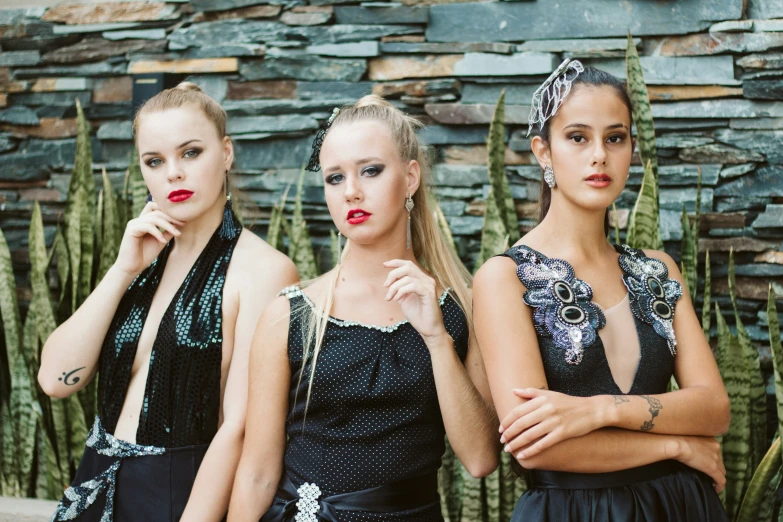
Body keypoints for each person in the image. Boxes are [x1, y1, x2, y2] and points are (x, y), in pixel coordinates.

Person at [474, 60, 730, 521]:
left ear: (632, 147)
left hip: (680, 507)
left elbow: (713, 408)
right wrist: (677, 444)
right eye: (577, 137)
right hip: (571, 511)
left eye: (615, 138)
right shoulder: (505, 277)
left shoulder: (656, 269)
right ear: (543, 151)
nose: (599, 155)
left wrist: (596, 411)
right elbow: (535, 447)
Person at [228, 96, 499, 522]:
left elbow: (481, 460)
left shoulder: (460, 308)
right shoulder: (291, 315)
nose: (352, 190)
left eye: (370, 170)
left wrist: (436, 340)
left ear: (410, 178)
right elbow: (258, 474)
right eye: (335, 177)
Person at [39, 82, 298, 522]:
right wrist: (122, 271)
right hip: (93, 485)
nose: (172, 173)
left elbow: (240, 427)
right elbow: (55, 382)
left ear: (227, 153)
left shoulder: (262, 269)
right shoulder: (140, 259)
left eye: (191, 153)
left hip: (178, 497)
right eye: (154, 161)